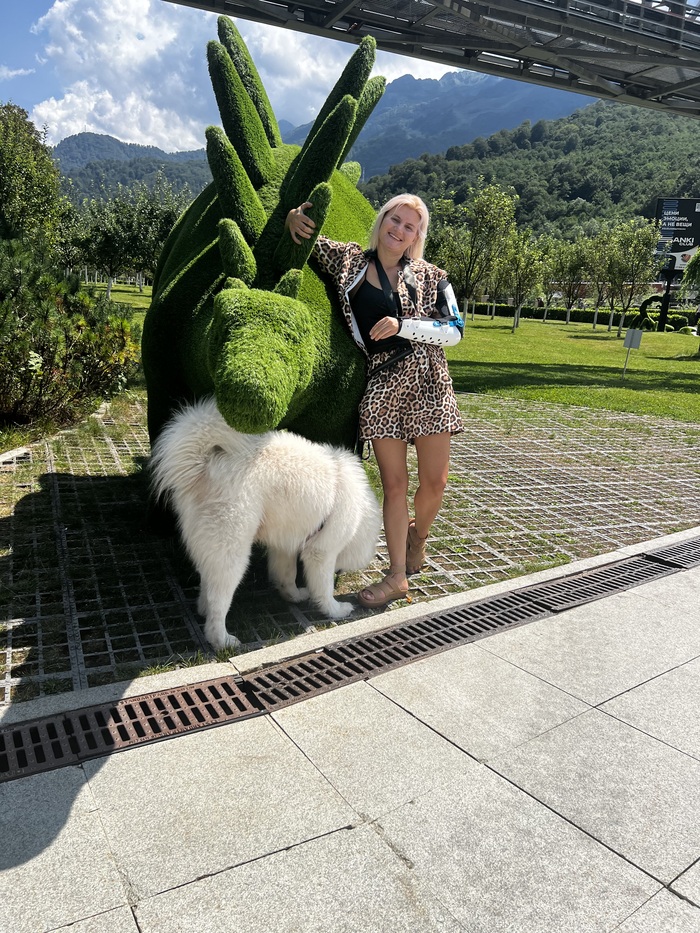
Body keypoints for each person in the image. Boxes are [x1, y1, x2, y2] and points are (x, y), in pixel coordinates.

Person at [286, 193, 464, 608]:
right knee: (394, 485)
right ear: (382, 219)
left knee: (435, 483)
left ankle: (418, 535)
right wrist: (292, 218)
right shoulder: (349, 260)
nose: (399, 230)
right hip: (383, 383)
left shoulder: (433, 276)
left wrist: (404, 325)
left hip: (429, 379)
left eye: (409, 226)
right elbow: (308, 236)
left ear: (417, 236)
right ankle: (397, 575)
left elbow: (455, 330)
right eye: (394, 219)